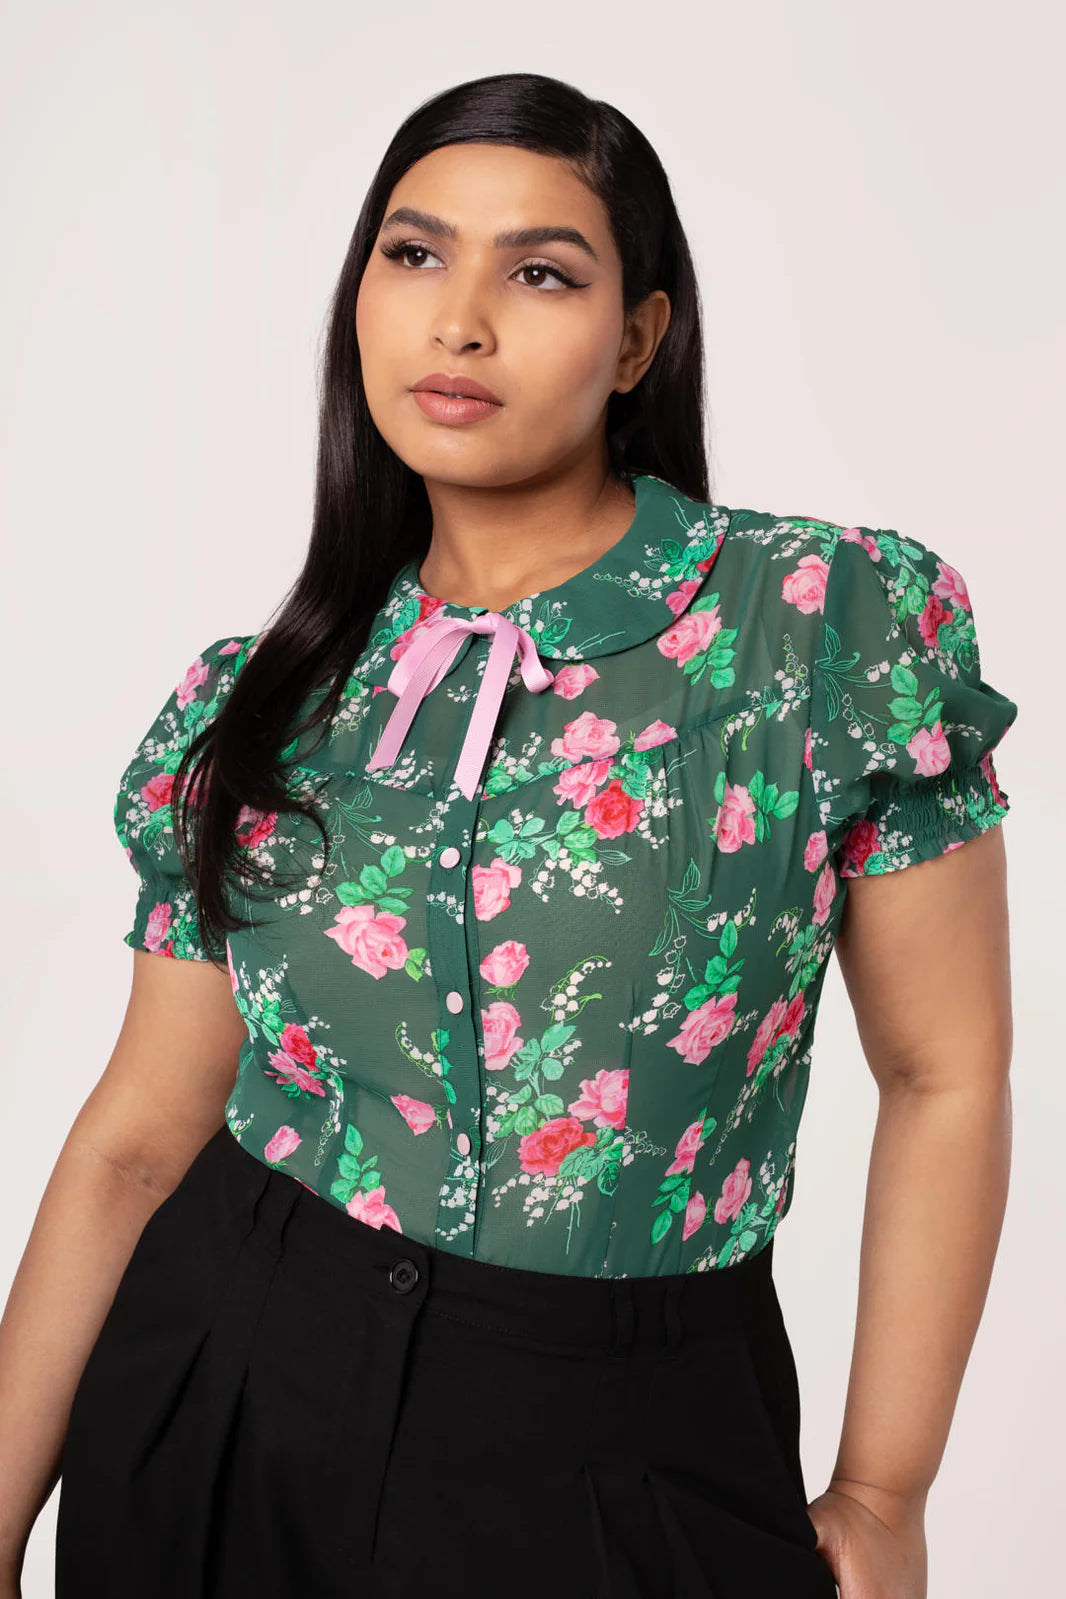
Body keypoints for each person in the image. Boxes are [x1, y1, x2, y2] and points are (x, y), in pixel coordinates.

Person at [0, 71, 1016, 1599]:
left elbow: (944, 1070)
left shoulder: (820, 627)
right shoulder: (258, 704)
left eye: (538, 272)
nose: (457, 321)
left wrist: (883, 1487)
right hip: (220, 1390)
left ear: (637, 339)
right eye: (413, 257)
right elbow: (142, 1136)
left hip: (628, 1427)